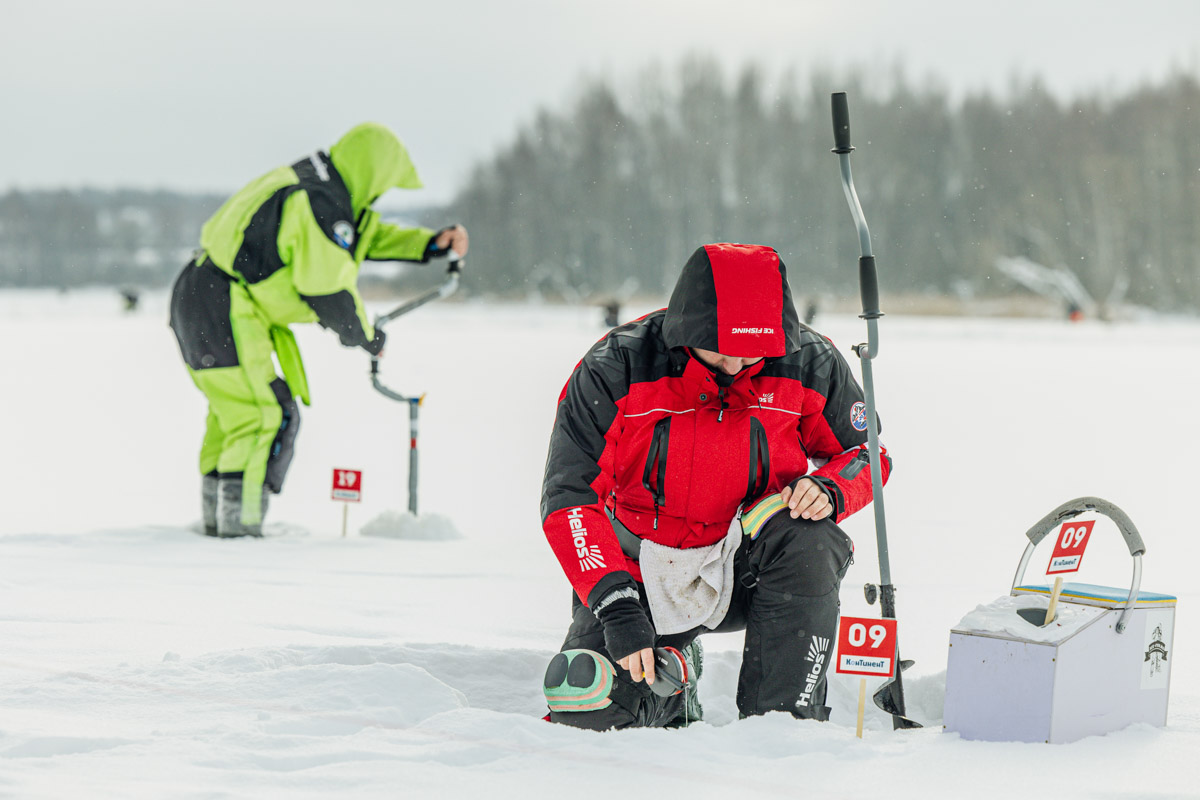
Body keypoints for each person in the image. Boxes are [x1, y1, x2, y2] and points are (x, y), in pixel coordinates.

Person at [540, 243, 890, 729]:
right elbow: (570, 500)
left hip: (748, 564)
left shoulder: (811, 363)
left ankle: (783, 720)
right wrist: (614, 604)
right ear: (688, 328)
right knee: (586, 703)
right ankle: (672, 683)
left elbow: (866, 454)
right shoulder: (615, 367)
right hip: (640, 567)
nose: (735, 365)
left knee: (812, 537)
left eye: (752, 352)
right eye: (720, 350)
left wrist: (830, 490)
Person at [169, 122, 468, 538]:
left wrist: (427, 244)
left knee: (235, 413)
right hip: (223, 305)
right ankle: (235, 537)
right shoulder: (321, 204)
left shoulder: (321, 185)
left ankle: (217, 526)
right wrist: (366, 336)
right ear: (373, 171)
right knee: (262, 416)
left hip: (205, 296)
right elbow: (327, 290)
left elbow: (362, 237)